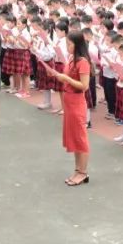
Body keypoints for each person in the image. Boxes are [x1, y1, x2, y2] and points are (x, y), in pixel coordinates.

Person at [47, 31, 92, 186]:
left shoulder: (83, 62)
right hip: (68, 100)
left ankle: (83, 172)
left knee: (80, 137)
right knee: (73, 137)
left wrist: (66, 78)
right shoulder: (72, 59)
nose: (67, 47)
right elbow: (67, 78)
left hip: (77, 102)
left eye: (69, 44)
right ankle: (77, 170)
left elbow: (84, 86)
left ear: (77, 44)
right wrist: (57, 75)